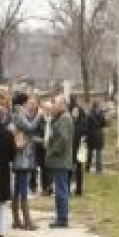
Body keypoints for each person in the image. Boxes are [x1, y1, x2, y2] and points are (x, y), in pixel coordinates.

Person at [12, 93, 42, 229]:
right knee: (22, 188)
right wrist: (39, 115)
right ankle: (27, 221)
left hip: (21, 157)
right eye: (28, 101)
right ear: (23, 102)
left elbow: (29, 122)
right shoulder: (19, 114)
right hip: (22, 158)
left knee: (18, 188)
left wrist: (35, 113)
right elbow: (30, 127)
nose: (30, 103)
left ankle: (17, 220)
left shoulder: (19, 113)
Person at [46, 95, 74, 228]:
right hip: (60, 160)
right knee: (60, 189)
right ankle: (61, 217)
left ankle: (62, 219)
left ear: (63, 105)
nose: (53, 106)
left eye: (56, 103)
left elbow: (63, 138)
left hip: (61, 160)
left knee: (61, 190)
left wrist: (53, 151)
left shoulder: (65, 119)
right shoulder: (61, 118)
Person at [0, 106, 17, 237]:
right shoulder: (8, 134)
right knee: (1, 203)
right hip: (2, 171)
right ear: (3, 117)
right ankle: (1, 231)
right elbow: (12, 155)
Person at [32, 100, 52, 195]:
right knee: (43, 168)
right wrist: (41, 140)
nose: (48, 111)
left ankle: (49, 187)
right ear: (43, 109)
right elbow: (33, 135)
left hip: (51, 147)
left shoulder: (54, 119)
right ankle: (44, 188)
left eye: (49, 109)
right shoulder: (39, 120)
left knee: (50, 168)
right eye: (46, 109)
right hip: (40, 147)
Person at [70, 100, 88, 196]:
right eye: (73, 112)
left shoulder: (83, 121)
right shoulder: (70, 121)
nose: (74, 113)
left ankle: (79, 189)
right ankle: (70, 187)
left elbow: (85, 132)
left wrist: (83, 137)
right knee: (70, 169)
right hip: (71, 148)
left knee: (79, 169)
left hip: (79, 148)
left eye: (76, 112)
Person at [86, 100, 106, 174]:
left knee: (90, 152)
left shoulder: (89, 113)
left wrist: (87, 133)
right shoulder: (101, 113)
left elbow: (87, 125)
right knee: (98, 153)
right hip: (98, 134)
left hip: (91, 134)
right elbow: (104, 124)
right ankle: (99, 169)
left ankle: (87, 168)